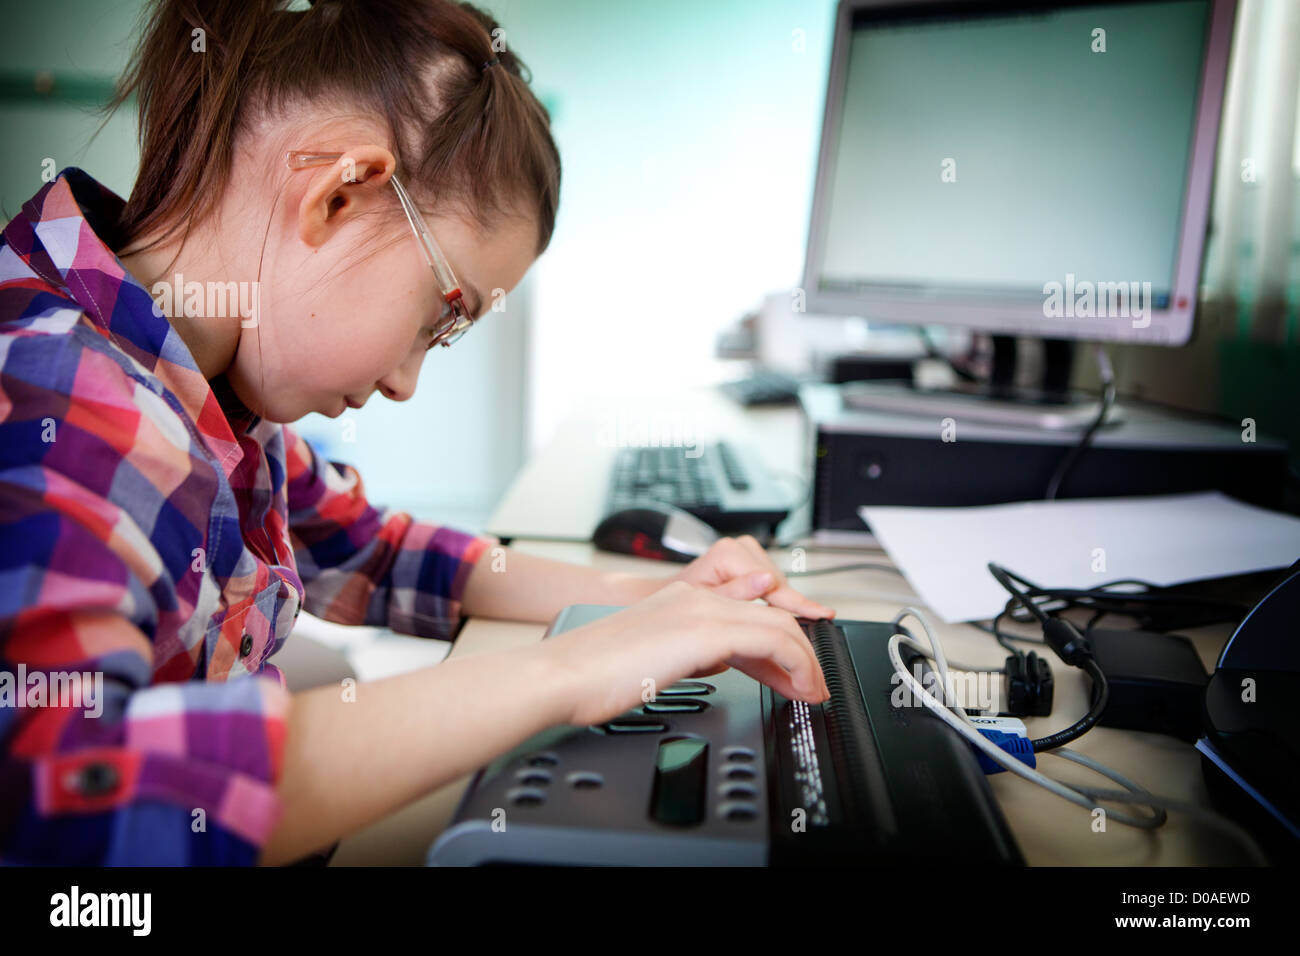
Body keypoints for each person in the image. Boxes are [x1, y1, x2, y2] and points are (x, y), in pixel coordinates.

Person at [0, 0, 831, 866]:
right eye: (442, 320)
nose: (404, 383)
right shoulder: (65, 402)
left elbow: (375, 552)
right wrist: (566, 675)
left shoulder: (198, 383)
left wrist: (652, 605)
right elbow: (69, 800)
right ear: (337, 195)